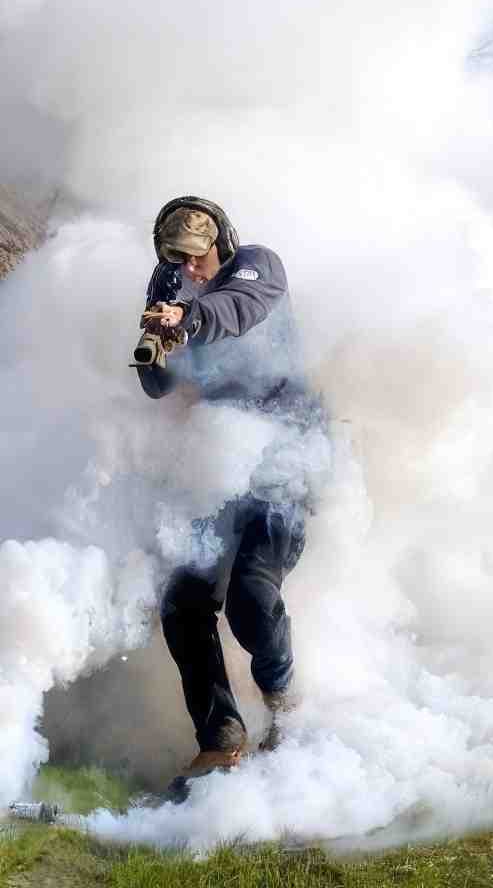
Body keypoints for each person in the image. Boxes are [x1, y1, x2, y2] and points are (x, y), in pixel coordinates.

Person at [136, 196, 321, 797]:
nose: (188, 271)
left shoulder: (255, 267)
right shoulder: (174, 285)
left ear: (221, 241)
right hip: (218, 462)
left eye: (196, 259)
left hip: (285, 458)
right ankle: (220, 741)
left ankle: (283, 700)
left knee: (250, 595)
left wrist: (187, 320)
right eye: (177, 262)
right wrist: (157, 346)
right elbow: (160, 386)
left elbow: (235, 309)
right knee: (183, 601)